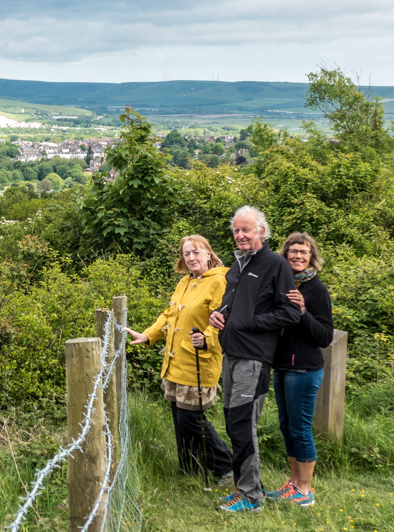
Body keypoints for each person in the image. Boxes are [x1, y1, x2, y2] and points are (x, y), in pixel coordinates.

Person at [209, 206, 301, 513]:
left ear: (261, 231)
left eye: (246, 230)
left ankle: (250, 498)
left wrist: (249, 322)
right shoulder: (236, 266)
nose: (240, 235)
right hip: (231, 352)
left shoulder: (275, 265)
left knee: (242, 424)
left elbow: (289, 313)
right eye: (236, 230)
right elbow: (230, 305)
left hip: (254, 358)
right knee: (235, 423)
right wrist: (218, 315)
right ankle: (247, 487)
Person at [125, 235, 233, 482]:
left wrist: (206, 339)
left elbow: (223, 319)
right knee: (179, 418)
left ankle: (226, 467)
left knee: (191, 419)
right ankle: (190, 468)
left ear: (208, 253)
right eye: (186, 254)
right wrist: (148, 334)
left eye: (196, 252)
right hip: (175, 362)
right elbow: (169, 314)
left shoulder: (219, 281)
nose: (191, 258)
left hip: (199, 360)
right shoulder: (184, 282)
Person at [265, 232, 333, 507]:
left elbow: (325, 336)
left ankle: (305, 490)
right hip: (281, 366)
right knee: (287, 426)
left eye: (303, 252)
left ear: (311, 257)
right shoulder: (280, 285)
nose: (297, 256)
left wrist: (303, 312)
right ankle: (292, 484)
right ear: (285, 254)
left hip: (304, 369)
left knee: (301, 428)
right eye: (293, 251)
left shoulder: (317, 290)